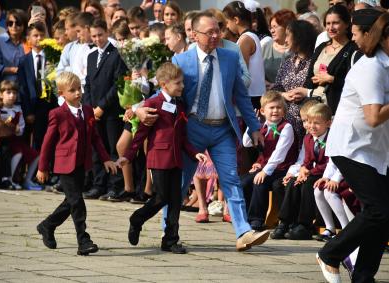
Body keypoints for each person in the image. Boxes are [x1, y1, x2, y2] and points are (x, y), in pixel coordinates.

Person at [170, 12, 269, 251]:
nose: (215, 36)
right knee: (181, 182)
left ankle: (243, 232)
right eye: (209, 32)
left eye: (218, 30)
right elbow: (167, 95)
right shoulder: (180, 62)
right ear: (193, 34)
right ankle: (169, 231)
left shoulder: (229, 57)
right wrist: (143, 110)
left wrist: (255, 127)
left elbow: (242, 96)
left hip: (223, 127)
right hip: (193, 127)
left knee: (232, 179)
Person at [317, 13, 389, 283]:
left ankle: (363, 276)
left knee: (384, 215)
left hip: (376, 149)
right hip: (351, 146)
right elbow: (372, 116)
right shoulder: (371, 66)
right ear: (383, 38)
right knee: (378, 210)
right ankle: (331, 254)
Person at [117, 63, 207, 254]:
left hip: (176, 159)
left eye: (182, 82)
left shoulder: (179, 104)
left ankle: (170, 239)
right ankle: (137, 219)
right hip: (159, 158)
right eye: (178, 83)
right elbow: (141, 134)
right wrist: (128, 156)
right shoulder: (153, 104)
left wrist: (193, 152)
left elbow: (182, 137)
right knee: (161, 197)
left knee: (176, 199)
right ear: (164, 84)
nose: (182, 86)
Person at [36, 71, 118, 256]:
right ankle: (83, 240)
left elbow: (96, 138)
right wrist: (42, 167)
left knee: (71, 201)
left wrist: (106, 158)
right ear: (62, 94)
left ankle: (47, 225)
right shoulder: (57, 114)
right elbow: (47, 143)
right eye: (72, 90)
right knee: (77, 202)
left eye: (79, 89)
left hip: (82, 163)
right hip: (65, 165)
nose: (78, 93)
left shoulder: (88, 110)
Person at [83, 19, 127, 201]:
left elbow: (118, 85)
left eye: (100, 35)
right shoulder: (91, 56)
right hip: (94, 111)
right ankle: (99, 184)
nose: (97, 39)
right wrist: (90, 107)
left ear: (107, 32)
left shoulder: (117, 55)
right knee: (97, 149)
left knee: (112, 148)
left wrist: (101, 106)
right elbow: (88, 84)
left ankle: (115, 186)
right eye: (93, 36)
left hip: (110, 111)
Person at [241, 91, 298, 231]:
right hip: (267, 167)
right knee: (243, 181)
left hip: (282, 168)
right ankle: (244, 217)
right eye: (271, 108)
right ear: (262, 111)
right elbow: (246, 143)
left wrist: (264, 171)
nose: (275, 111)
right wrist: (251, 125)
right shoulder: (262, 126)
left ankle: (257, 219)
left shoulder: (286, 127)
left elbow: (279, 154)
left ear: (284, 111)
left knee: (260, 182)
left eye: (278, 108)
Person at [275, 103, 332, 240]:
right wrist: (302, 170)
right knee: (293, 182)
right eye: (309, 122)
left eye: (316, 123)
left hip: (325, 174)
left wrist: (309, 173)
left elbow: (329, 163)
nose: (311, 126)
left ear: (328, 123)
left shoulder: (331, 138)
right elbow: (307, 159)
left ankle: (305, 225)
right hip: (312, 172)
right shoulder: (308, 138)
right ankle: (286, 222)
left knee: (308, 185)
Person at [293, 4, 357, 114]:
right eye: (328, 23)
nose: (331, 28)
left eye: (335, 23)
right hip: (314, 108)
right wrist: (302, 92)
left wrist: (331, 79)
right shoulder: (321, 47)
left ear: (346, 24)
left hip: (336, 109)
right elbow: (309, 78)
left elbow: (355, 84)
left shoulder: (353, 49)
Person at [272, 20, 318, 148]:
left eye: (288, 35)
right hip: (284, 123)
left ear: (299, 37)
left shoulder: (315, 62)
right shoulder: (287, 62)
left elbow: (320, 91)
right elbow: (275, 89)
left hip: (307, 124)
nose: (285, 40)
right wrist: (284, 95)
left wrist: (305, 94)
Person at [17, 22, 58, 150]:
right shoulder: (24, 60)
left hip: (49, 104)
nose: (39, 38)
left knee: (50, 139)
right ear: (28, 39)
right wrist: (28, 111)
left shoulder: (53, 57)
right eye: (35, 35)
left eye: (42, 35)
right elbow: (22, 88)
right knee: (35, 141)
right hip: (32, 105)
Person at [0, 80, 39, 190]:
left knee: (36, 155)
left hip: (15, 139)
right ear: (0, 94)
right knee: (17, 152)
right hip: (3, 141)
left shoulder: (18, 110)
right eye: (8, 92)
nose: (12, 96)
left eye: (14, 93)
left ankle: (27, 180)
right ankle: (9, 179)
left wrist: (18, 129)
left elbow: (21, 128)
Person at [223, 1, 266, 110]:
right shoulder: (251, 36)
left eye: (227, 21)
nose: (227, 26)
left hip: (251, 96)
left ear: (236, 20)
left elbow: (242, 72)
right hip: (255, 94)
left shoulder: (245, 39)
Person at [262, 9, 296, 88]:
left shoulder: (297, 50)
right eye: (270, 27)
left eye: (275, 27)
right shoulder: (266, 47)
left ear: (287, 27)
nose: (272, 31)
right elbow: (256, 72)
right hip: (267, 94)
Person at [0, 9, 28, 82]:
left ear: (24, 25)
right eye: (10, 23)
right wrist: (15, 70)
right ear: (7, 25)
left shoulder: (29, 42)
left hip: (25, 85)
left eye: (18, 23)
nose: (14, 26)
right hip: (5, 85)